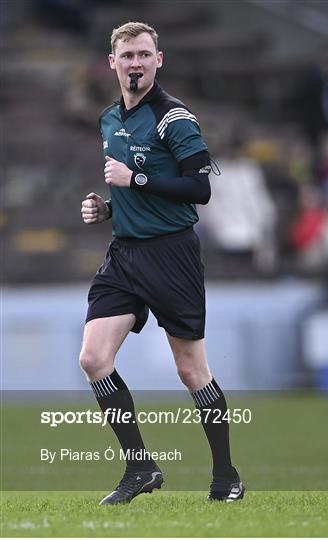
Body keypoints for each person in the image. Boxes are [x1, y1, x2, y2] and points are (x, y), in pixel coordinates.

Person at [79, 21, 243, 505]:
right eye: (127, 55)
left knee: (191, 372)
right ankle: (140, 468)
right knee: (92, 359)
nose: (135, 63)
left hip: (172, 254)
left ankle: (227, 477)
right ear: (112, 63)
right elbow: (129, 188)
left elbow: (200, 189)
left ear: (159, 60)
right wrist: (107, 208)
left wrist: (137, 181)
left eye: (144, 55)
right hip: (124, 255)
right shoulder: (110, 119)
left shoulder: (176, 119)